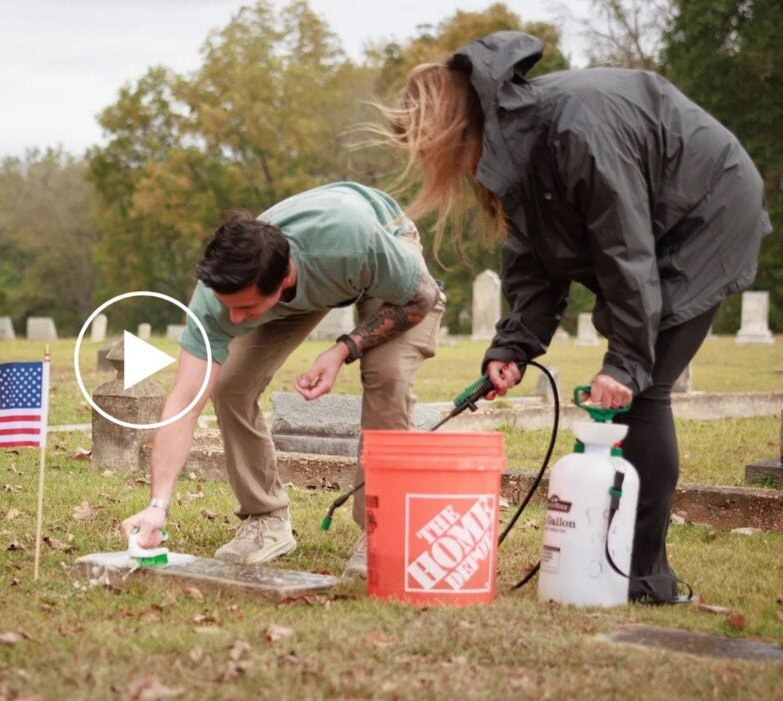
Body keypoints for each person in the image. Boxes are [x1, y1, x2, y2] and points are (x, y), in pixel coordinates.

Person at [384, 31, 770, 602]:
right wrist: (513, 346)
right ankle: (613, 557)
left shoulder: (573, 129)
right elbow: (532, 260)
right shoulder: (511, 151)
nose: (430, 166)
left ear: (454, 131)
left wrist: (627, 360)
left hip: (706, 212)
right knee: (637, 388)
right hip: (658, 227)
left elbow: (625, 246)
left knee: (647, 389)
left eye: (428, 151)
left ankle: (642, 576)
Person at [118, 182, 444, 576]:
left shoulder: (351, 243)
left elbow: (421, 297)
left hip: (388, 253)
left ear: (284, 281)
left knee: (386, 376)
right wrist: (157, 506)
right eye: (229, 308)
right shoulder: (217, 297)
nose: (235, 320)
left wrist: (345, 348)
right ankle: (266, 519)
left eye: (247, 308)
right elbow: (185, 402)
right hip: (320, 275)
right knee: (231, 385)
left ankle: (382, 528)